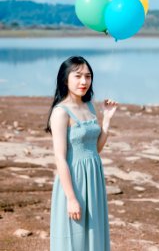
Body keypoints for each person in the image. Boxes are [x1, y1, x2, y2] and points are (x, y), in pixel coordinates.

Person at [46, 56, 118, 251]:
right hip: (74, 181)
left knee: (94, 234)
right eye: (77, 76)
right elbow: (60, 157)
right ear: (65, 79)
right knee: (75, 238)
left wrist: (106, 121)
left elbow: (96, 149)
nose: (84, 81)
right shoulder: (61, 112)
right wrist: (71, 198)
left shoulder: (89, 106)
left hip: (93, 178)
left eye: (88, 76)